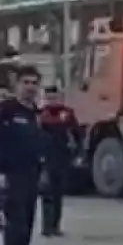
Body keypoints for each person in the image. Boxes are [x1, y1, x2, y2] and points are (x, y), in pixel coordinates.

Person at [0, 65, 50, 245]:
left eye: (34, 83)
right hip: (11, 179)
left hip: (30, 180)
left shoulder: (34, 113)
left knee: (22, 236)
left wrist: (43, 171)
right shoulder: (5, 111)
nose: (30, 87)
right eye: (26, 82)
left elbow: (38, 147)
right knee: (17, 234)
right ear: (16, 85)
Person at [39, 86, 78, 237]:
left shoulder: (67, 113)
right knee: (47, 193)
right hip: (46, 158)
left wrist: (75, 151)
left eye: (54, 97)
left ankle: (56, 225)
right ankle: (47, 226)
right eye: (49, 98)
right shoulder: (41, 114)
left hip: (62, 157)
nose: (52, 101)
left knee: (58, 194)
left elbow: (76, 133)